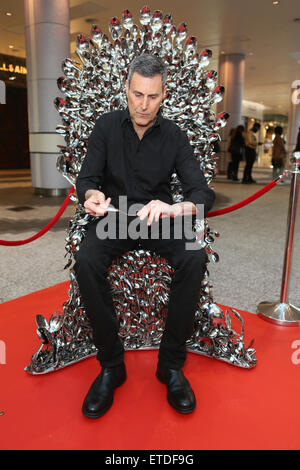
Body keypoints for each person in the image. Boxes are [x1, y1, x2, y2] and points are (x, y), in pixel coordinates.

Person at [74, 54, 215, 419]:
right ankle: (111, 365)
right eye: (137, 94)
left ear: (164, 93)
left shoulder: (174, 135)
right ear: (127, 88)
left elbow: (201, 194)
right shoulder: (106, 127)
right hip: (115, 216)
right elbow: (87, 181)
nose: (143, 104)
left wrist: (173, 209)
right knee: (86, 260)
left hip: (160, 217)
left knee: (194, 256)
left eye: (152, 97)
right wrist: (92, 198)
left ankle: (170, 364)